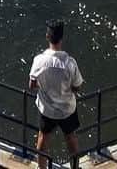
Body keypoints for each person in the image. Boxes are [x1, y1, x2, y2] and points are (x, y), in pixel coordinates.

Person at [29, 20, 83, 169]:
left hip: (47, 110)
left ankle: (42, 167)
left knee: (43, 138)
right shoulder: (70, 63)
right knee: (71, 138)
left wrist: (44, 86)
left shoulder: (39, 61)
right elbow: (77, 86)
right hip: (67, 109)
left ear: (47, 36)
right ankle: (75, 167)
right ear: (62, 38)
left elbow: (32, 85)